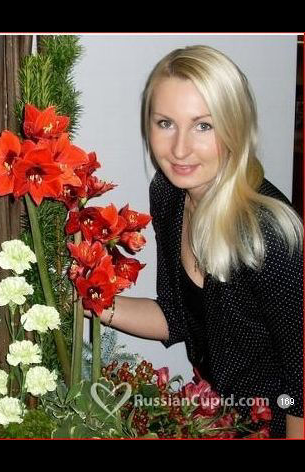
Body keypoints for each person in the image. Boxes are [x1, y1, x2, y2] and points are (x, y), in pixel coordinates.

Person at [91, 45, 304, 438]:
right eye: (165, 123)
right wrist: (92, 299)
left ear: (235, 126)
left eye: (203, 126)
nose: (180, 149)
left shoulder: (268, 236)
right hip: (219, 419)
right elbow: (178, 316)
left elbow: (302, 383)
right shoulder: (170, 195)